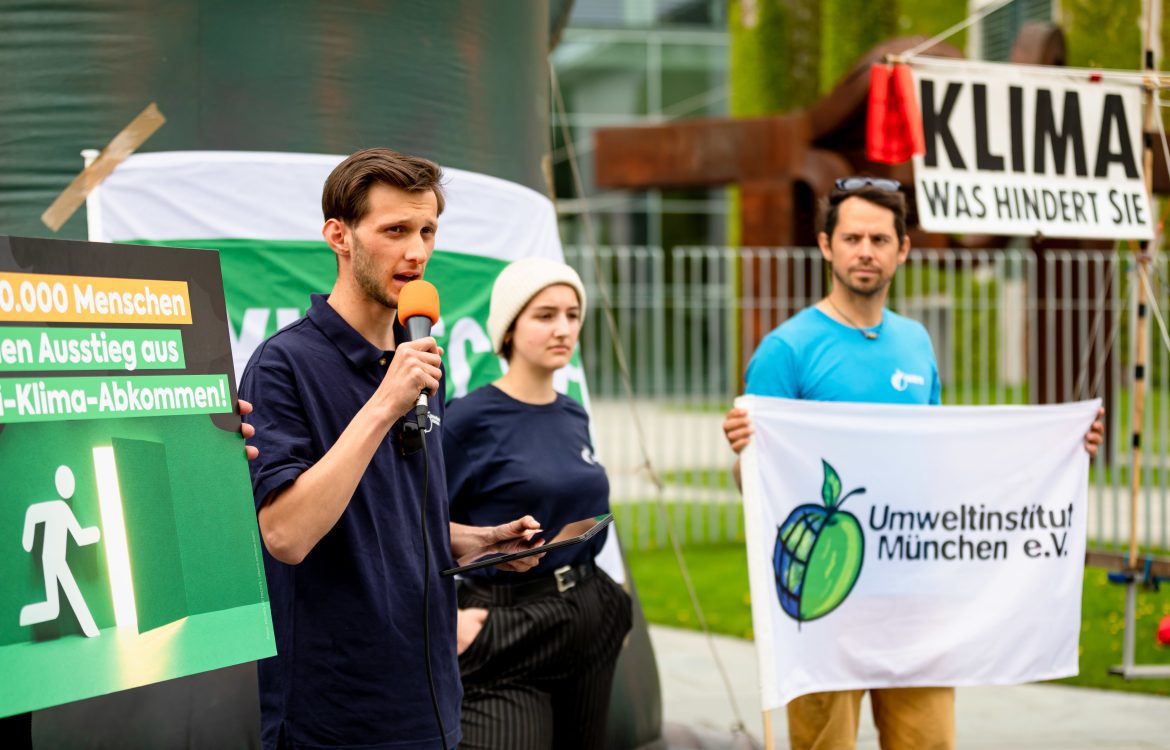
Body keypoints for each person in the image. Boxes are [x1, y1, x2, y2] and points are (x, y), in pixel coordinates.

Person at [722, 177, 1105, 750]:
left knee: (928, 742)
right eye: (851, 237)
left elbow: (937, 454)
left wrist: (1060, 449)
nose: (865, 251)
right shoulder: (787, 349)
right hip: (828, 599)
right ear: (826, 246)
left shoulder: (915, 342)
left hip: (912, 586)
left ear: (903, 250)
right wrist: (741, 455)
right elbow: (757, 480)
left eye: (879, 239)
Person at [240, 148, 542, 750]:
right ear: (339, 236)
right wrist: (382, 404)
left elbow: (390, 513)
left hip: (429, 699)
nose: (418, 252)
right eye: (396, 230)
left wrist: (480, 542)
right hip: (335, 714)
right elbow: (287, 534)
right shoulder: (282, 365)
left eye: (427, 230)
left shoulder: (420, 357)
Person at [442, 258, 633, 750]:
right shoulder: (467, 419)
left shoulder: (573, 413)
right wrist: (450, 620)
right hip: (508, 623)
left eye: (572, 315)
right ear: (509, 328)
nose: (563, 328)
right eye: (545, 315)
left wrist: (613, 600)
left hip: (589, 613)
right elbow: (420, 525)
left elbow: (588, 507)